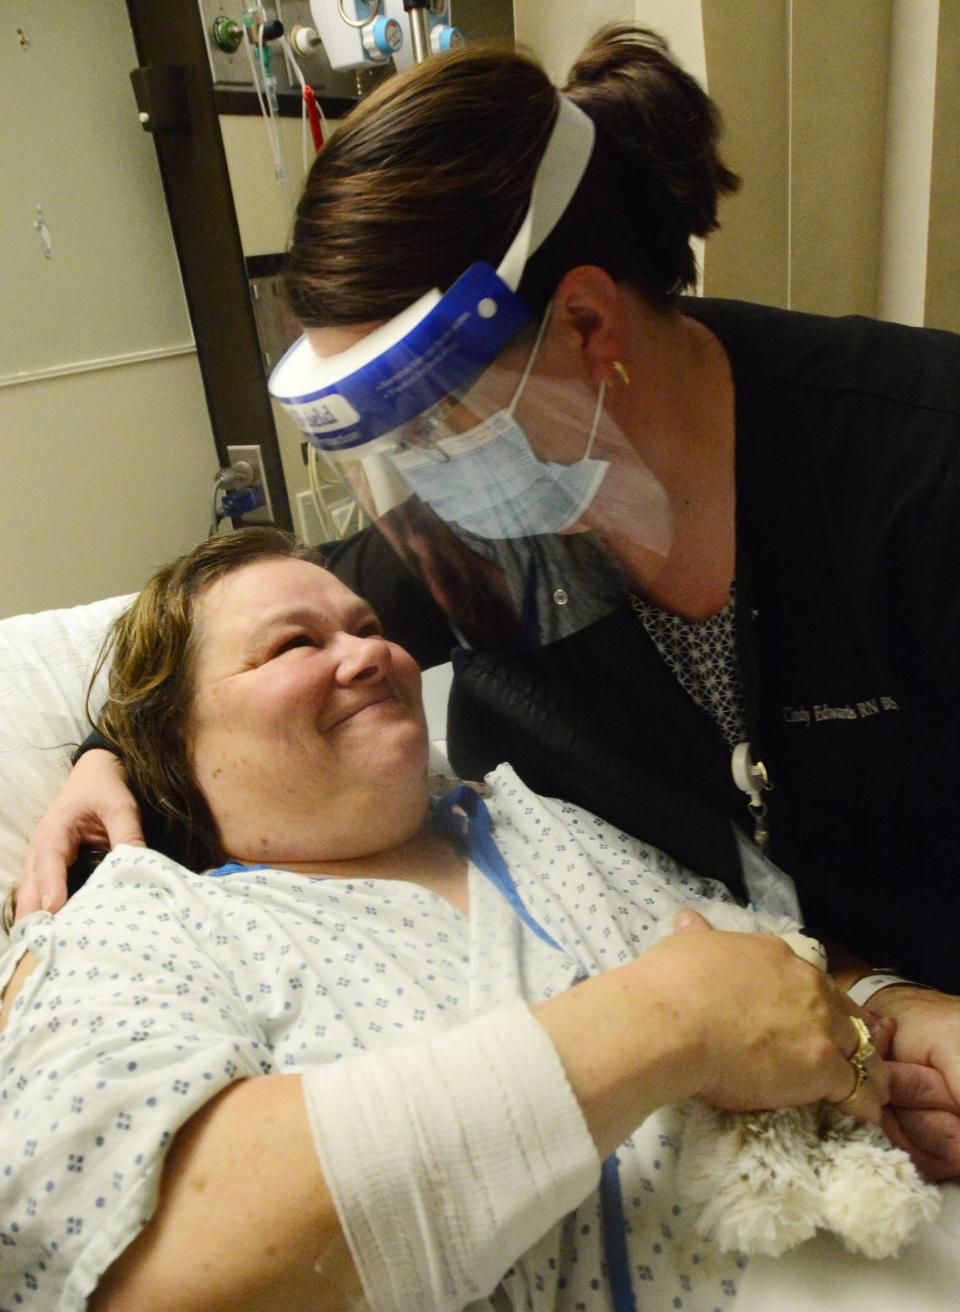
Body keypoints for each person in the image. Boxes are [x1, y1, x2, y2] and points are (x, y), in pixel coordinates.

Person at [19, 27, 960, 1176]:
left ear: (585, 324)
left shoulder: (916, 477)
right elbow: (244, 647)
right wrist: (109, 748)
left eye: (428, 420)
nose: (421, 481)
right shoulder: (485, 528)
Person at [0, 528, 890, 1312]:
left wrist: (894, 1008)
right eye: (293, 645)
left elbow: (773, 980)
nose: (366, 656)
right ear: (174, 745)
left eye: (368, 628)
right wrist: (666, 1022)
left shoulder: (538, 819)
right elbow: (128, 1260)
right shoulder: (141, 917)